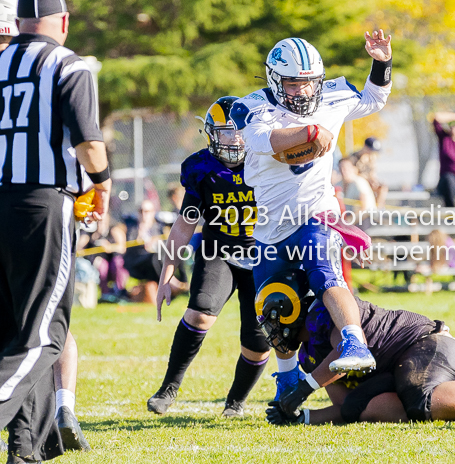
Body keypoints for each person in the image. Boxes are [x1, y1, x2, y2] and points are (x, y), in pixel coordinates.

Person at [230, 32, 393, 396]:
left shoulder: (333, 94)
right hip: (271, 225)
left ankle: (355, 343)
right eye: (292, 82)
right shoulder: (252, 106)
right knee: (275, 309)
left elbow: (374, 98)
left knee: (325, 274)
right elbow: (263, 140)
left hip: (315, 212)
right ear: (274, 79)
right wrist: (311, 131)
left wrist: (381, 62)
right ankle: (287, 379)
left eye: (309, 83)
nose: (303, 91)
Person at [0, 0, 110, 461]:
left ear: (19, 21)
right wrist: (103, 184)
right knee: (46, 332)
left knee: (15, 326)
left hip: (1, 199)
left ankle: (26, 447)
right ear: (63, 22)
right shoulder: (69, 64)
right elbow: (87, 141)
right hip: (43, 203)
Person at [256, 270, 455, 425]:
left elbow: (343, 352)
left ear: (293, 308)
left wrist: (304, 387)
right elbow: (343, 406)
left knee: (419, 398)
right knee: (360, 407)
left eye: (273, 319)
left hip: (428, 347)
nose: (272, 330)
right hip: (402, 370)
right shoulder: (310, 355)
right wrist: (301, 417)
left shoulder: (323, 314)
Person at [148, 97, 271, 418]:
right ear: (211, 135)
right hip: (219, 250)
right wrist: (166, 275)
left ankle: (236, 402)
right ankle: (168, 388)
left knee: (259, 340)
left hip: (263, 255)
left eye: (240, 130)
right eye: (226, 131)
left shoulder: (267, 160)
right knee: (200, 312)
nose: (236, 138)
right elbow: (185, 224)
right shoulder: (201, 168)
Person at [348, 137, 388, 208]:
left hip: (368, 181)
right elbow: (353, 174)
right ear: (365, 147)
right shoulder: (354, 157)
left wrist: (374, 181)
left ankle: (378, 209)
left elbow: (373, 173)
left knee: (382, 188)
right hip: (358, 182)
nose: (371, 152)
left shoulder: (371, 158)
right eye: (370, 150)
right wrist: (367, 179)